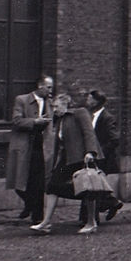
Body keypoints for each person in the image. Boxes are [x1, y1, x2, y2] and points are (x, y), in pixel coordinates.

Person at [30, 91, 102, 235]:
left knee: (88, 189)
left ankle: (91, 222)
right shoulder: (61, 119)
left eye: (56, 106)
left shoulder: (80, 113)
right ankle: (46, 222)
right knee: (52, 186)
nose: (54, 109)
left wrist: (90, 152)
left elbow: (89, 132)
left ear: (66, 104)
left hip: (82, 157)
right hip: (67, 159)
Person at [5, 75, 54, 223]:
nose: (50, 90)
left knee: (39, 183)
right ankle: (29, 204)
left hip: (42, 147)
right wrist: (35, 121)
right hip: (26, 147)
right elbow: (16, 120)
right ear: (40, 85)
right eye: (49, 87)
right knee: (20, 183)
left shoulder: (50, 102)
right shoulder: (22, 100)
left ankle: (37, 218)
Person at [81, 89, 123, 223]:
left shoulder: (107, 118)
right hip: (91, 157)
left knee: (92, 186)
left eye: (89, 99)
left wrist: (98, 151)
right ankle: (111, 203)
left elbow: (114, 139)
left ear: (96, 101)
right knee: (91, 185)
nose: (87, 102)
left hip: (102, 158)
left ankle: (90, 217)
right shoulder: (89, 116)